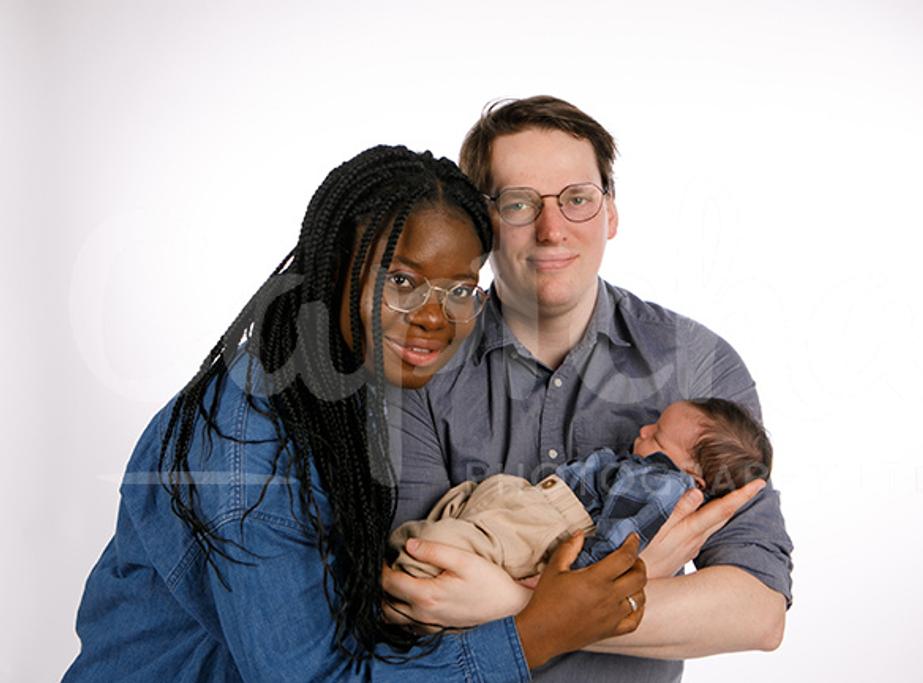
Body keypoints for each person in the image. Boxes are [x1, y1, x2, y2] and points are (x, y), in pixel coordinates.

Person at [63, 145, 648, 682]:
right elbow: (311, 675)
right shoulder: (250, 441)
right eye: (402, 280)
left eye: (461, 290)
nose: (435, 318)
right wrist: (537, 632)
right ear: (336, 267)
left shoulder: (339, 390)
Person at [381, 97, 795, 682]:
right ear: (482, 223)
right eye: (520, 203)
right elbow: (409, 591)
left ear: (611, 214)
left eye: (577, 199)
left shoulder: (699, 366)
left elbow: (755, 611)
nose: (553, 230)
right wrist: (637, 581)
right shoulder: (418, 357)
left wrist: (521, 605)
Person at [391, 398, 772, 580]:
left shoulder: (660, 484)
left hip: (545, 523)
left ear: (695, 479)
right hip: (533, 503)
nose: (643, 431)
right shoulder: (655, 476)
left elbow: (614, 549)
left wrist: (555, 586)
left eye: (657, 436)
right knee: (449, 526)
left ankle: (407, 579)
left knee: (441, 547)